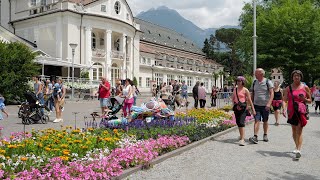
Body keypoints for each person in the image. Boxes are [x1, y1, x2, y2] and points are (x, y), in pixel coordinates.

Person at [283, 70, 311, 159]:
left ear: (301, 77)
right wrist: (284, 109)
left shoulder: (305, 87)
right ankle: (296, 146)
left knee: (299, 130)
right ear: (292, 77)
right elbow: (284, 100)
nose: (296, 77)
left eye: (298, 76)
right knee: (294, 130)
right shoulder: (288, 88)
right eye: (295, 75)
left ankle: (298, 149)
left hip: (301, 111)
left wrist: (305, 99)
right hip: (291, 111)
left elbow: (310, 101)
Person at [249, 68, 274, 144]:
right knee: (257, 120)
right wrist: (251, 104)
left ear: (261, 74)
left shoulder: (267, 82)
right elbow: (252, 94)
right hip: (256, 105)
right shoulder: (254, 82)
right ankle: (255, 136)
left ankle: (265, 134)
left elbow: (272, 93)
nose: (254, 74)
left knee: (265, 120)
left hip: (265, 105)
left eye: (256, 73)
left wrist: (269, 104)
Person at [232, 76, 255, 146]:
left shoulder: (245, 90)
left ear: (243, 82)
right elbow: (233, 98)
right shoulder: (235, 89)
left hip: (243, 108)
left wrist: (253, 109)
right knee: (238, 122)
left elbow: (250, 100)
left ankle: (242, 139)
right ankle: (241, 135)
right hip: (236, 107)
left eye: (240, 81)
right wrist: (234, 105)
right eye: (237, 81)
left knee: (241, 122)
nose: (238, 82)